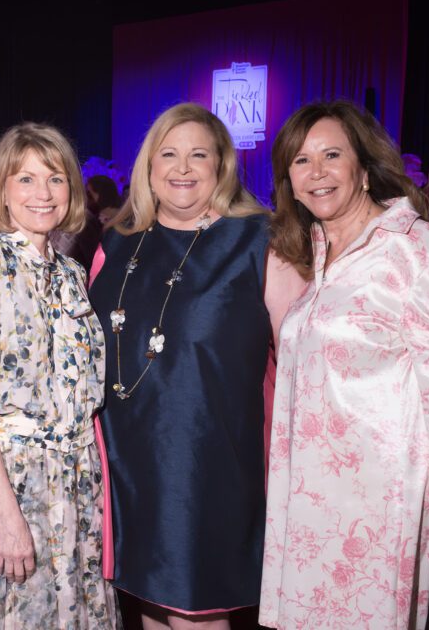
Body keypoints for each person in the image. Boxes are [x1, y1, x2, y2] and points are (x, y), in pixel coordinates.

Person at [260, 100, 429, 629]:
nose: (316, 171)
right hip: (309, 495)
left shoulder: (417, 250)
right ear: (288, 181)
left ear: (363, 168)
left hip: (380, 496)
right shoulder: (317, 250)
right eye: (300, 161)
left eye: (331, 155)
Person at [88, 103, 304, 629]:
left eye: (198, 155)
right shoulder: (115, 243)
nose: (182, 168)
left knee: (195, 610)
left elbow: (306, 364)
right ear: (149, 166)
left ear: (222, 166)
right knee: (150, 607)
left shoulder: (259, 242)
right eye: (169, 154)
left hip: (207, 465)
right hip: (123, 461)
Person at [0, 123, 117, 628]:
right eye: (26, 179)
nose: (43, 193)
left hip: (75, 488)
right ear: (4, 192)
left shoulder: (74, 275)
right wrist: (8, 519)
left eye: (55, 179)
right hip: (7, 485)